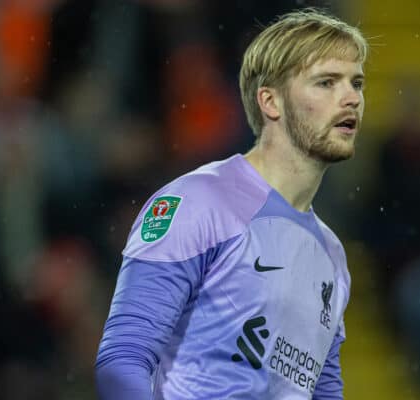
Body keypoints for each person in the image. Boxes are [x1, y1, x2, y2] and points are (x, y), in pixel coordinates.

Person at [95, 8, 367, 399]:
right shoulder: (195, 202)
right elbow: (124, 358)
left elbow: (323, 392)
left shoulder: (332, 255)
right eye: (326, 82)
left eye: (356, 83)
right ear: (270, 102)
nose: (351, 98)